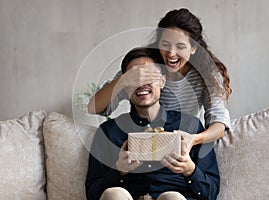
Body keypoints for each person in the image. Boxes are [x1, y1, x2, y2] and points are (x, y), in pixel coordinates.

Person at [88, 8, 232, 150]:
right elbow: (94, 107)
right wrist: (124, 80)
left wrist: (193, 139)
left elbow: (218, 124)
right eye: (165, 44)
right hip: (144, 143)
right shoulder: (145, 66)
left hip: (183, 146)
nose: (171, 53)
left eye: (180, 46)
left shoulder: (207, 74)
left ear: (193, 48)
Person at [85, 47, 220, 200]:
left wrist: (190, 170)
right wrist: (119, 171)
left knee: (172, 198)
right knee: (114, 194)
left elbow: (211, 193)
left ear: (162, 81)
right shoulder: (109, 132)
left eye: (148, 76)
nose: (141, 84)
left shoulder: (190, 127)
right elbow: (92, 194)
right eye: (134, 78)